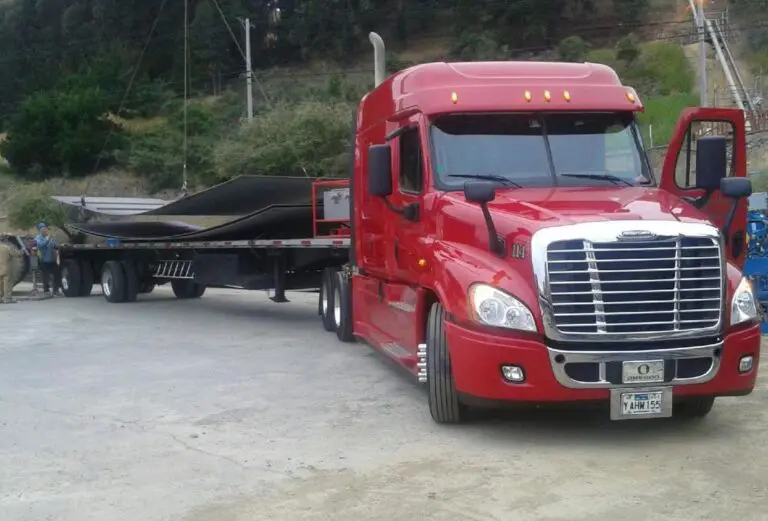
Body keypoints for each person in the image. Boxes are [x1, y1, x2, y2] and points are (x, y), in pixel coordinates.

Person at [35, 223, 61, 296]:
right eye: (43, 230)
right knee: (45, 277)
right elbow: (41, 245)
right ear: (40, 231)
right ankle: (46, 291)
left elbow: (56, 246)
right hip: (44, 260)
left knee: (57, 275)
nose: (45, 231)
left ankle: (56, 291)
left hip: (53, 260)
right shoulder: (38, 238)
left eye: (46, 229)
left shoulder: (50, 237)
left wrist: (56, 243)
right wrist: (47, 240)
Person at [0, 234, 23, 304]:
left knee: (0, 283)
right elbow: (17, 255)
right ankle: (7, 298)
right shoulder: (7, 247)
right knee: (7, 283)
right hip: (6, 269)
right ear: (6, 240)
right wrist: (22, 251)